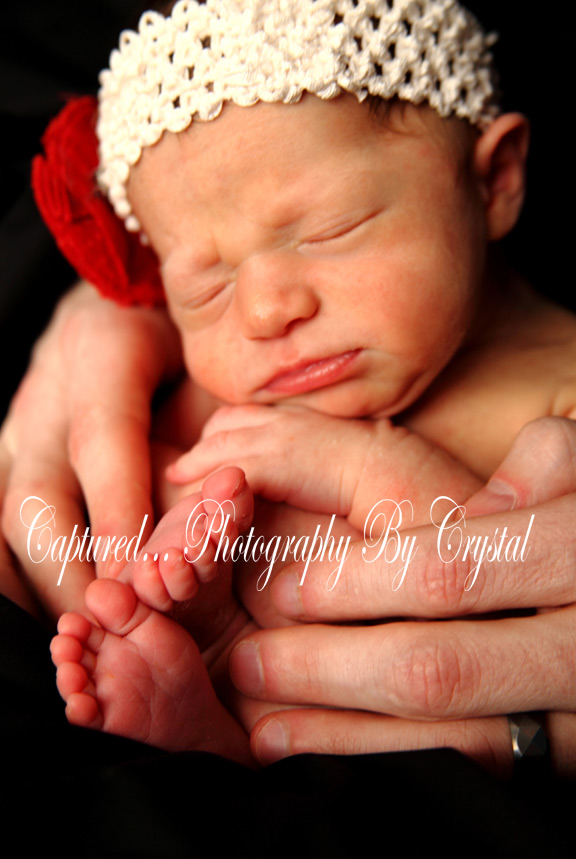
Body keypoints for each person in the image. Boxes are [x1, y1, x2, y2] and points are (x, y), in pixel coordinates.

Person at [22, 0, 574, 774]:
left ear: (494, 180)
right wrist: (182, 561)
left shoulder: (559, 384)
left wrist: (366, 468)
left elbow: (514, 595)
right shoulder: (243, 389)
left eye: (329, 231)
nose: (263, 312)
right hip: (278, 733)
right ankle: (209, 715)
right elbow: (128, 510)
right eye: (205, 288)